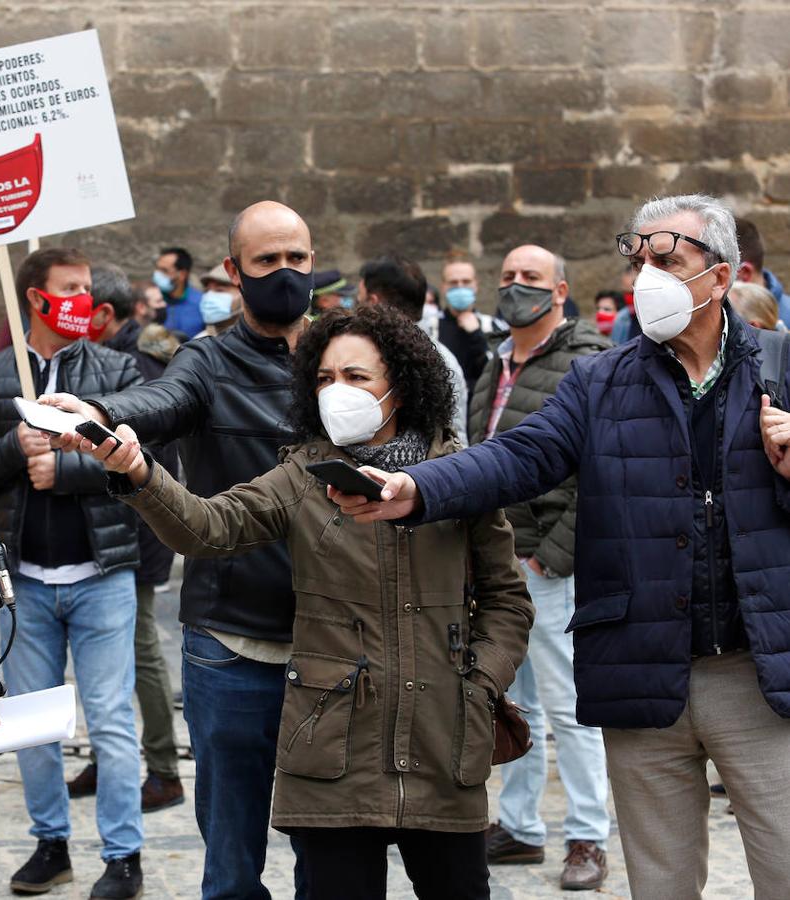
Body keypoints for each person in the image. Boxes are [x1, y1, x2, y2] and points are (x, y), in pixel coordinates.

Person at [335, 194, 790, 898]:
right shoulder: (601, 381)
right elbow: (515, 456)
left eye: (668, 261)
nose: (648, 278)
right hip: (642, 669)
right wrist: (415, 490)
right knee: (662, 884)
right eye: (638, 261)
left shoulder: (782, 364)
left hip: (757, 673)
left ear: (722, 278)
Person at [54, 304, 533, 900]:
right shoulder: (305, 472)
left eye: (356, 378)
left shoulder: (460, 474)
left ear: (402, 386)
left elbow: (507, 600)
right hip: (334, 743)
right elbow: (209, 526)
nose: (338, 392)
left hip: (442, 737)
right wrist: (140, 473)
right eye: (324, 378)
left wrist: (478, 682)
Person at [43, 200, 314, 899]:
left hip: (333, 637)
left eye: (298, 259)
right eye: (266, 261)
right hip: (231, 639)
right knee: (230, 850)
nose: (285, 273)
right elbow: (159, 400)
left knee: (333, 846)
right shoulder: (209, 358)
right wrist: (101, 416)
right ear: (234, 271)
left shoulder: (343, 356)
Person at [0, 247, 146, 899]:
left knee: (111, 717)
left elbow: (145, 460)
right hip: (23, 577)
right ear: (35, 298)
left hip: (102, 573)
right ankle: (50, 843)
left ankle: (123, 854)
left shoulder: (117, 370)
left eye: (87, 288)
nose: (85, 300)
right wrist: (15, 446)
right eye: (71, 289)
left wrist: (70, 468)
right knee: (32, 719)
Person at [469, 245, 613, 890]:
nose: (515, 287)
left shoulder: (587, 363)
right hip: (498, 567)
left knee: (570, 707)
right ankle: (521, 827)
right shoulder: (493, 363)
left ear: (559, 291)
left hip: (550, 565)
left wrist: (551, 557)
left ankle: (587, 836)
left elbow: (601, 475)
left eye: (530, 278)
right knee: (512, 701)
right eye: (506, 278)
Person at [79, 262, 184, 813]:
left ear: (103, 313)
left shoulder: (133, 365)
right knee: (114, 656)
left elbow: (146, 457)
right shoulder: (111, 357)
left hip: (140, 529)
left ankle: (164, 770)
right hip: (125, 529)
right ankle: (109, 757)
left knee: (140, 651)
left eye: (79, 304)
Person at [358, 255, 469, 447]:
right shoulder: (445, 357)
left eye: (359, 300)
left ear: (373, 301)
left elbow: (454, 441)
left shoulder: (440, 362)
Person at [438, 253, 493, 392]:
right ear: (443, 286)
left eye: (466, 282)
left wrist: (476, 334)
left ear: (475, 284)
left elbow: (494, 372)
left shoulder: (491, 326)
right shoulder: (431, 327)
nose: (460, 287)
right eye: (453, 283)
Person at [154, 247, 204, 338]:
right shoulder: (152, 302)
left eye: (164, 270)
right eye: (157, 269)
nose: (157, 274)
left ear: (182, 274)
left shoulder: (201, 303)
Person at [196, 264, 243, 338]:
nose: (209, 296)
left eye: (220, 290)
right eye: (206, 291)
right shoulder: (200, 341)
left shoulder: (260, 341)